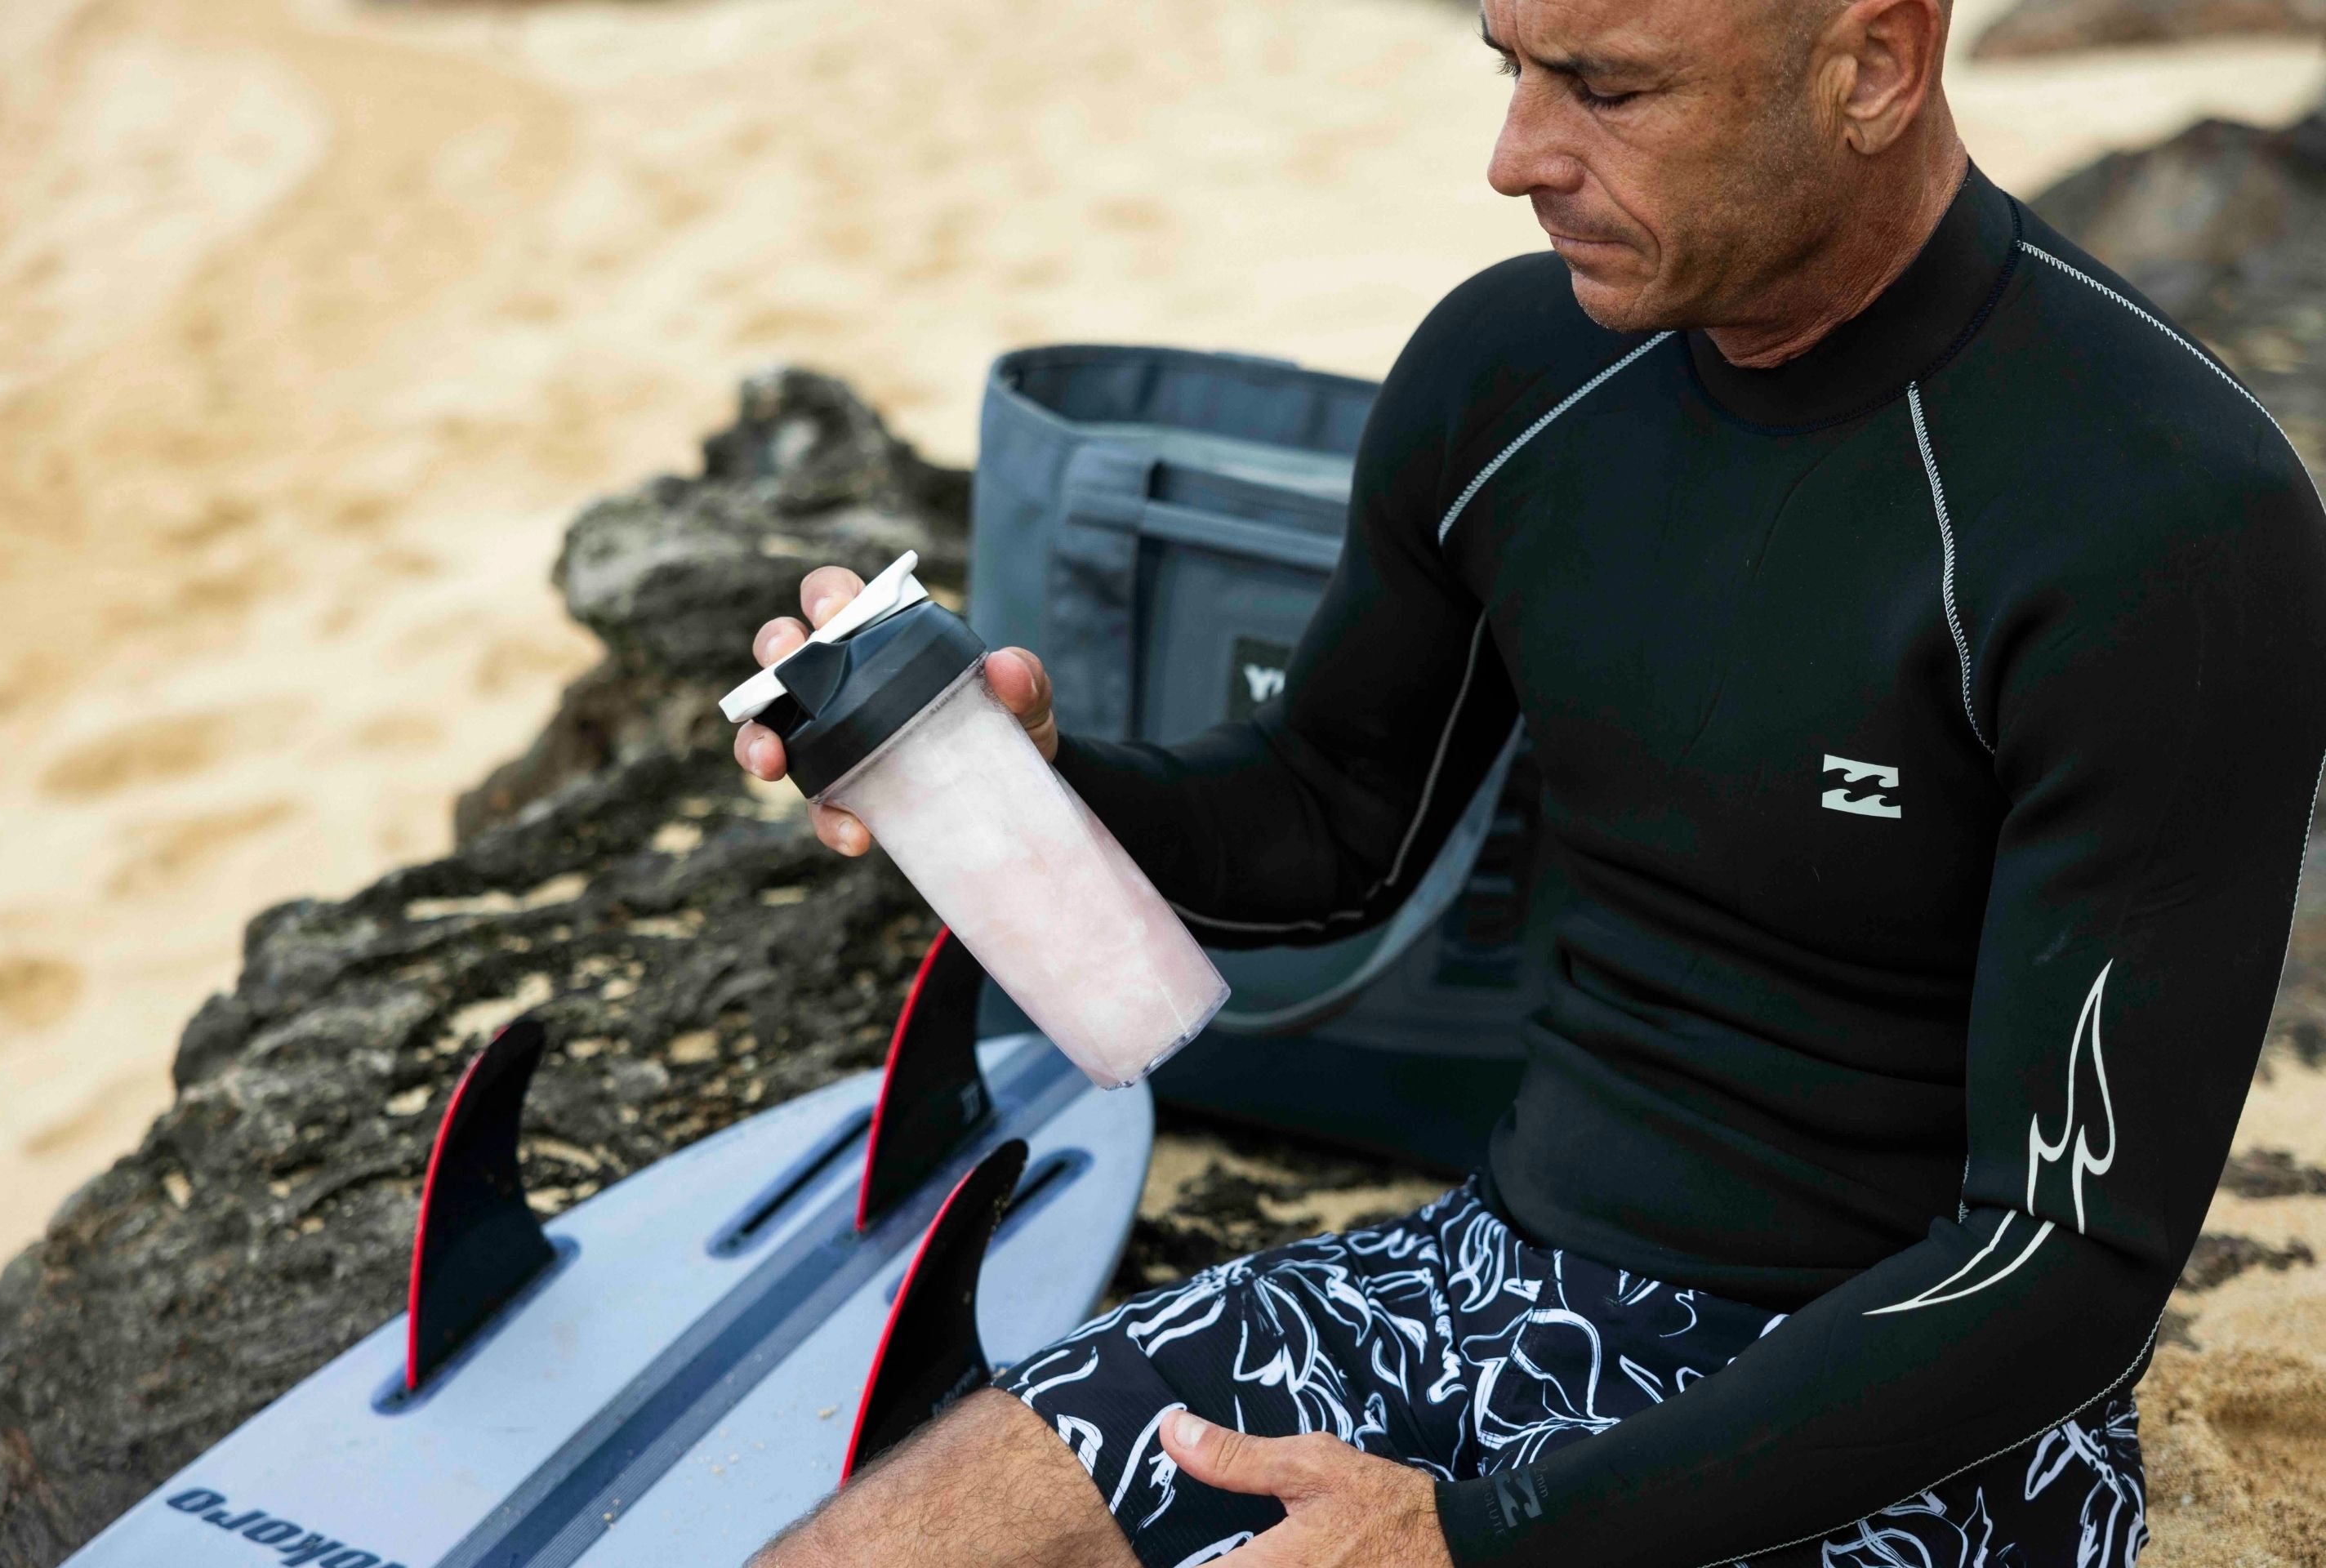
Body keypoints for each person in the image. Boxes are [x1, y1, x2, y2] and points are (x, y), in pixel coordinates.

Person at [732, 0, 2326, 1562]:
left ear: (1876, 63)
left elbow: (2063, 1266)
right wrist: (1020, 787)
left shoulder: (2163, 519)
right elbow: (1332, 826)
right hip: (1494, 1280)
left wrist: (1477, 1543)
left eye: (1607, 90)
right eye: (1512, 68)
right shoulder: (1512, 375)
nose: (1515, 157)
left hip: (1932, 1422)